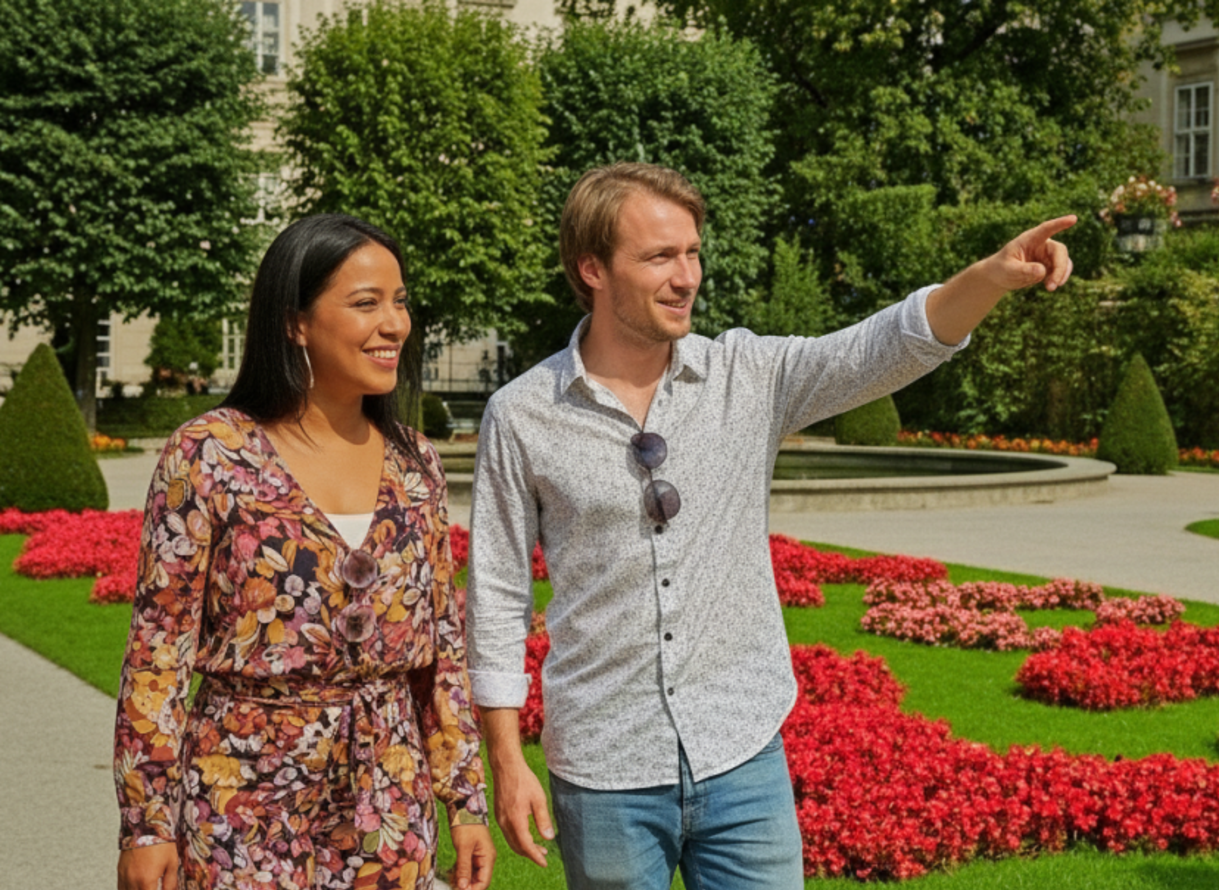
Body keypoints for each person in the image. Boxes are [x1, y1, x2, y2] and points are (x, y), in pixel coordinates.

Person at [466, 162, 1074, 889]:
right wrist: (506, 760)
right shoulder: (522, 415)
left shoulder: (746, 376)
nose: (686, 277)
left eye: (693, 252)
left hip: (742, 754)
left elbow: (882, 347)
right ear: (592, 268)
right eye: (659, 257)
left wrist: (988, 279)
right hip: (605, 768)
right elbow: (498, 597)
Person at [113, 214, 495, 890]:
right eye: (366, 303)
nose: (394, 324)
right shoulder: (210, 455)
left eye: (400, 302)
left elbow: (441, 650)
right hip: (240, 798)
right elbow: (158, 652)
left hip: (389, 800)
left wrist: (464, 800)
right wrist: (147, 825)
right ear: (295, 323)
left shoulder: (416, 464)